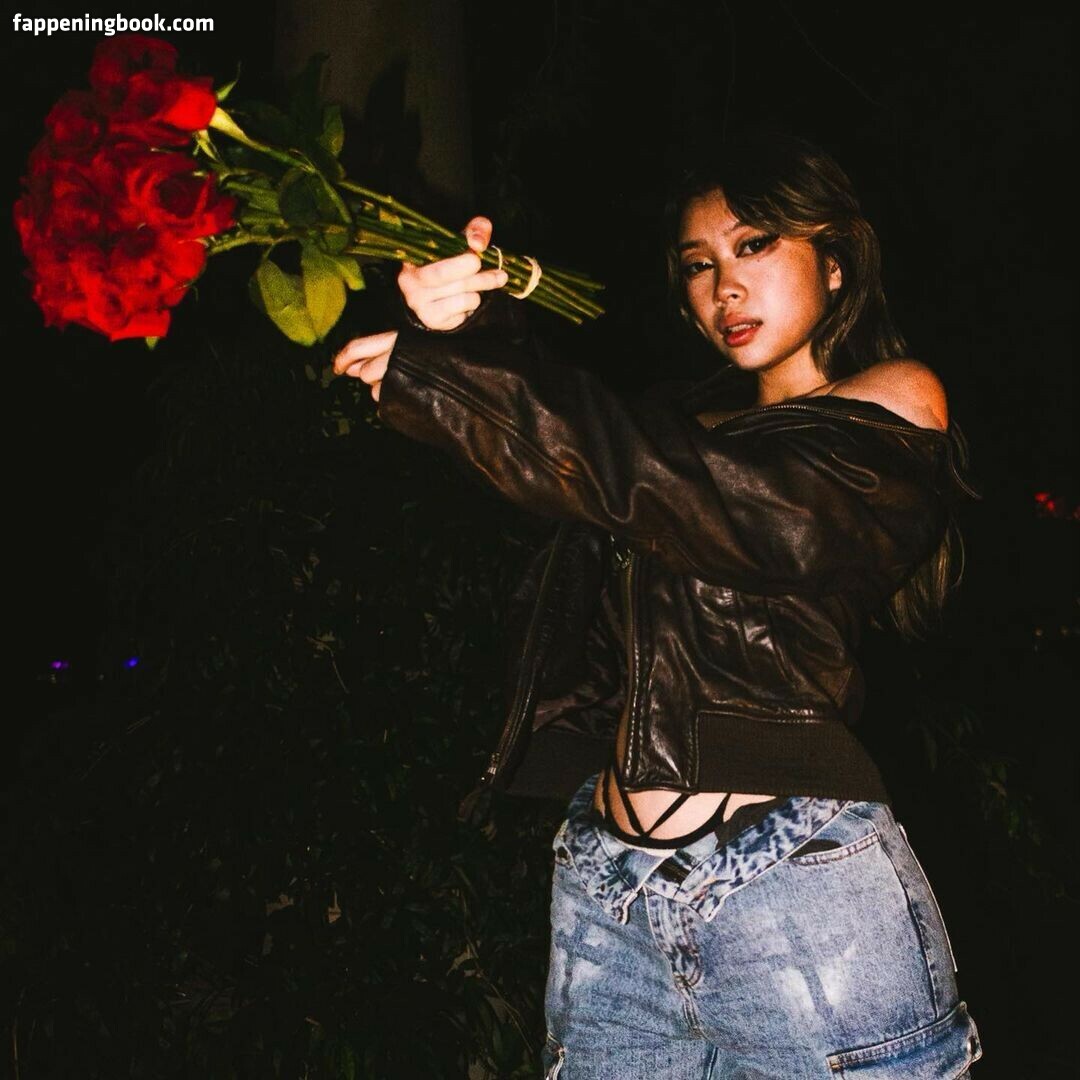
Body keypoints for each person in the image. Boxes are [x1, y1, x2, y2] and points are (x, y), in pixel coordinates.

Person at [333, 132, 983, 1079]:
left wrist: (476, 389)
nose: (725, 287)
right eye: (697, 264)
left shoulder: (892, 403)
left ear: (836, 264)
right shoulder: (674, 423)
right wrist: (471, 330)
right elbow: (579, 475)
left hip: (792, 887)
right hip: (607, 894)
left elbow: (701, 497)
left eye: (754, 246)